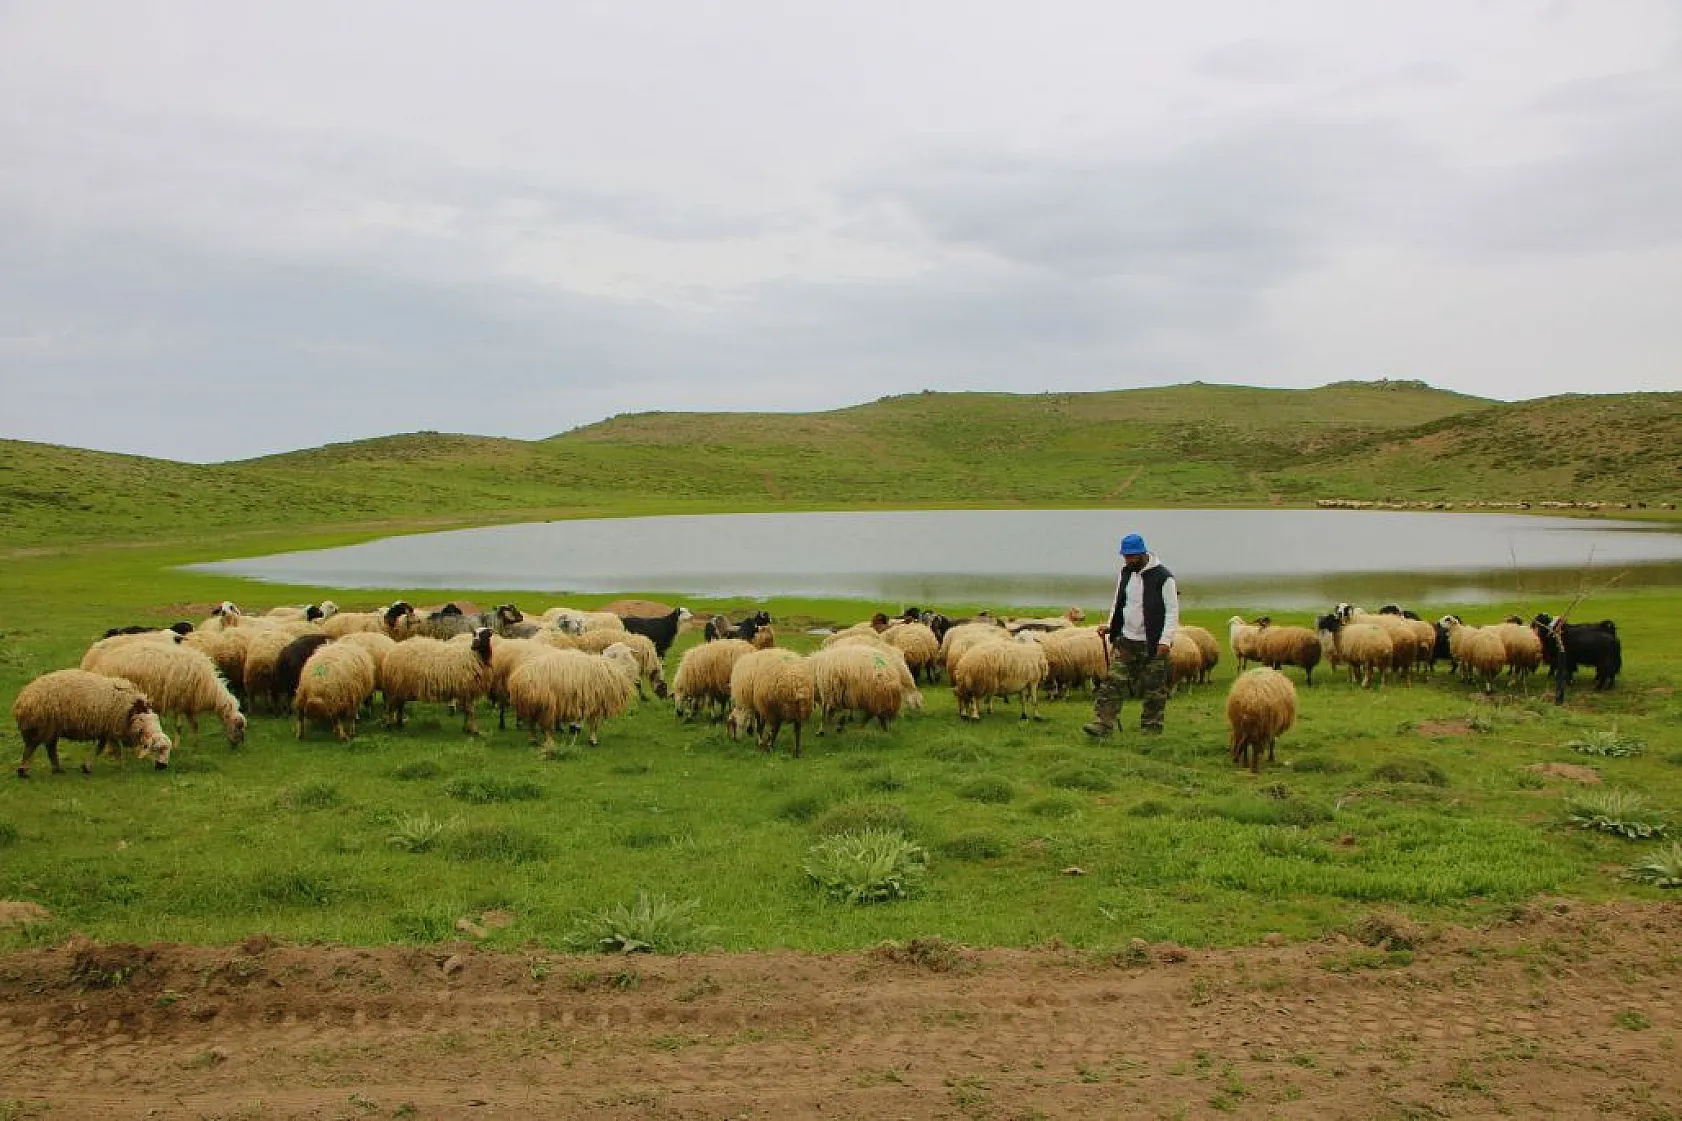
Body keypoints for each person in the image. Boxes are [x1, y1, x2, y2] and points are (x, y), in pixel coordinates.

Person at [1083, 532, 1178, 738]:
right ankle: (1103, 724)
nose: (1128, 560)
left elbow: (1172, 611)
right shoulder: (1126, 573)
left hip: (1152, 642)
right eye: (1126, 556)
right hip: (1126, 639)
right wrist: (1110, 625)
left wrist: (1165, 640)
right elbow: (1119, 601)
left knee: (1154, 688)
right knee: (1112, 682)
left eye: (1132, 556)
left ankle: (1151, 728)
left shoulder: (1164, 577)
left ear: (1143, 553)